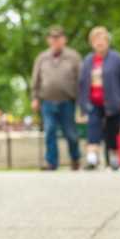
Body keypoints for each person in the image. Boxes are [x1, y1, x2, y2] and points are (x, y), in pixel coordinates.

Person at [78, 26, 120, 170]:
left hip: (113, 101)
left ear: (107, 41)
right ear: (91, 43)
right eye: (96, 40)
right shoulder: (88, 60)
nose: (99, 42)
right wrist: (82, 107)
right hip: (93, 102)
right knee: (93, 129)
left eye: (102, 39)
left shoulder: (117, 58)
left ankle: (113, 158)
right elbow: (82, 84)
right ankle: (92, 159)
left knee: (112, 131)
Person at [31, 25, 82, 171]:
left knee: (70, 133)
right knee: (50, 130)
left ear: (64, 40)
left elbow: (81, 80)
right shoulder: (42, 58)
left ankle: (75, 158)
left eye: (58, 38)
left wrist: (81, 101)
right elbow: (36, 79)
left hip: (68, 101)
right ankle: (51, 162)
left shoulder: (74, 56)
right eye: (52, 38)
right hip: (47, 101)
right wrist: (35, 98)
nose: (55, 41)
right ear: (48, 40)